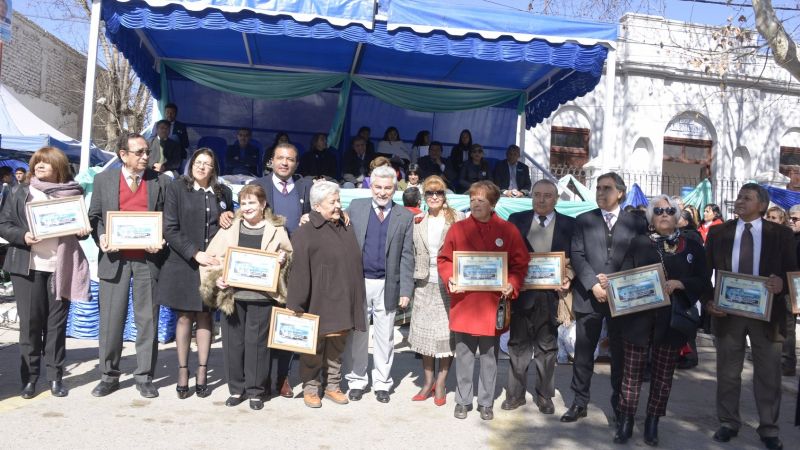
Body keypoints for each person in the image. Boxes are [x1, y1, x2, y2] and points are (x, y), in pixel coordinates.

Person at [613, 195, 710, 445]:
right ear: (651, 219)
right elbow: (623, 276)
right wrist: (611, 284)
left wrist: (682, 284)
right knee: (631, 374)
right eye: (658, 211)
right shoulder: (638, 243)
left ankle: (653, 421)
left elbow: (703, 280)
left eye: (669, 210)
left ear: (677, 217)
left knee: (663, 375)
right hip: (638, 321)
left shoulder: (692, 246)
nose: (664, 214)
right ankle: (626, 420)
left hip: (672, 322)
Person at [705, 183, 796, 450]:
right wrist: (709, 300)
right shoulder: (719, 233)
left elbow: (794, 273)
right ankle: (728, 422)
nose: (740, 200)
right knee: (727, 372)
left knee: (768, 374)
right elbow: (704, 271)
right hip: (727, 314)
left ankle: (768, 428)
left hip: (768, 315)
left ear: (762, 205)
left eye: (747, 197)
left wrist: (782, 284)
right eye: (739, 196)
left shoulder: (781, 235)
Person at [0, 147, 91, 399]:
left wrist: (84, 230)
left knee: (56, 326)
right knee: (30, 325)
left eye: (45, 163)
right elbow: (4, 224)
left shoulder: (72, 194)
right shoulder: (19, 191)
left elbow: (81, 227)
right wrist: (23, 236)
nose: (39, 166)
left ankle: (55, 378)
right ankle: (29, 379)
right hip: (27, 268)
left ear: (58, 166)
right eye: (36, 162)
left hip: (60, 268)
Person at [222, 142, 311, 397]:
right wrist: (225, 215)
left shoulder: (305, 187)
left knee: (285, 322)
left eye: (290, 159)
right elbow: (243, 211)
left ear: (296, 163)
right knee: (257, 330)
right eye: (280, 158)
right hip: (258, 272)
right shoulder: (259, 185)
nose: (285, 163)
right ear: (271, 161)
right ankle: (255, 381)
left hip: (292, 267)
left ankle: (282, 377)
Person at [88, 133, 171, 399]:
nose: (146, 157)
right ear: (123, 155)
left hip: (148, 261)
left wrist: (162, 239)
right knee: (111, 321)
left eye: (147, 152)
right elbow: (95, 216)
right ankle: (108, 375)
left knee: (147, 320)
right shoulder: (104, 180)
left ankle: (145, 376)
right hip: (115, 260)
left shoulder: (160, 182)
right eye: (140, 152)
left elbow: (168, 219)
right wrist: (101, 235)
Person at [561, 172, 647, 423]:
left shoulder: (636, 223)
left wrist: (616, 284)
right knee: (584, 352)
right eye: (598, 188)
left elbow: (640, 257)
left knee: (619, 354)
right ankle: (579, 402)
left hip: (622, 297)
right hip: (590, 296)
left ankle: (619, 405)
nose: (600, 192)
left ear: (620, 193)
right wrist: (593, 284)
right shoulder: (584, 219)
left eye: (606, 188)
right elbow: (577, 254)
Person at [438, 181, 529, 420]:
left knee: (489, 358)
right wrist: (449, 279)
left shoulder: (508, 230)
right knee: (465, 355)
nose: (475, 204)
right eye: (472, 200)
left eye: (481, 200)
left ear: (493, 203)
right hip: (465, 303)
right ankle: (463, 400)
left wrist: (512, 283)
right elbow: (444, 259)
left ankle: (486, 402)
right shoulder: (457, 229)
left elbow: (520, 264)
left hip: (492, 305)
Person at [199, 184, 292, 410]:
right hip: (233, 297)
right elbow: (212, 258)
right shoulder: (230, 228)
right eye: (243, 203)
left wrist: (283, 260)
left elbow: (289, 254)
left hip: (263, 296)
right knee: (233, 345)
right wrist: (217, 279)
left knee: (258, 346)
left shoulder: (276, 229)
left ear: (262, 205)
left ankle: (256, 392)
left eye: (252, 202)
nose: (247, 207)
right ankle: (236, 389)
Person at [156, 149, 233, 399]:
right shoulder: (177, 188)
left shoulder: (223, 193)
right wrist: (194, 253)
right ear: (191, 165)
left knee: (205, 317)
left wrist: (228, 217)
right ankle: (182, 370)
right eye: (198, 163)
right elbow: (170, 228)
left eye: (207, 164)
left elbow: (230, 225)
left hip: (211, 264)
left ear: (213, 168)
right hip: (184, 263)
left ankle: (202, 370)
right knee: (184, 318)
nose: (201, 167)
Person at [285, 181, 367, 408]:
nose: (339, 206)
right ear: (317, 206)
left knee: (337, 348)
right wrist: (296, 303)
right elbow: (299, 271)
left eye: (339, 201)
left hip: (342, 299)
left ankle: (332, 386)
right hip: (317, 301)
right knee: (313, 348)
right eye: (333, 202)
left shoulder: (345, 226)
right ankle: (311, 388)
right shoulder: (305, 231)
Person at [503, 179, 575, 415]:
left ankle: (544, 396)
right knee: (517, 346)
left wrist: (569, 276)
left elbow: (575, 260)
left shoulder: (569, 224)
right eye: (537, 195)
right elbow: (506, 256)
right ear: (531, 196)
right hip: (521, 294)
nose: (541, 200)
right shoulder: (516, 221)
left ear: (556, 199)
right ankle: (515, 395)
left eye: (547, 195)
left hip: (551, 297)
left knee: (547, 348)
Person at [343, 165, 414, 404]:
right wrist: (308, 217)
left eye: (387, 188)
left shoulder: (405, 216)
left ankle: (382, 383)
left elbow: (407, 255)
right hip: (360, 282)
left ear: (395, 189)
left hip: (388, 284)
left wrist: (406, 289)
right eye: (378, 187)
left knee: (385, 337)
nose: (382, 192)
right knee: (359, 334)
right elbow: (332, 222)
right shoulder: (356, 208)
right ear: (370, 187)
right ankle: (357, 380)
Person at [408, 176, 462, 406]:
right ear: (423, 196)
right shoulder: (417, 220)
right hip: (423, 282)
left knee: (445, 336)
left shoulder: (457, 219)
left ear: (444, 195)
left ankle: (441, 382)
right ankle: (428, 381)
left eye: (438, 193)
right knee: (424, 335)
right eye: (429, 193)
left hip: (448, 284)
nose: (434, 197)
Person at [786, 204, 800, 377]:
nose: (791, 221)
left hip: (795, 286)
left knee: (789, 326)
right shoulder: (788, 237)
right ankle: (785, 360)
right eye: (790, 218)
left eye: (795, 219)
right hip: (786, 286)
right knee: (785, 325)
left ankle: (788, 362)